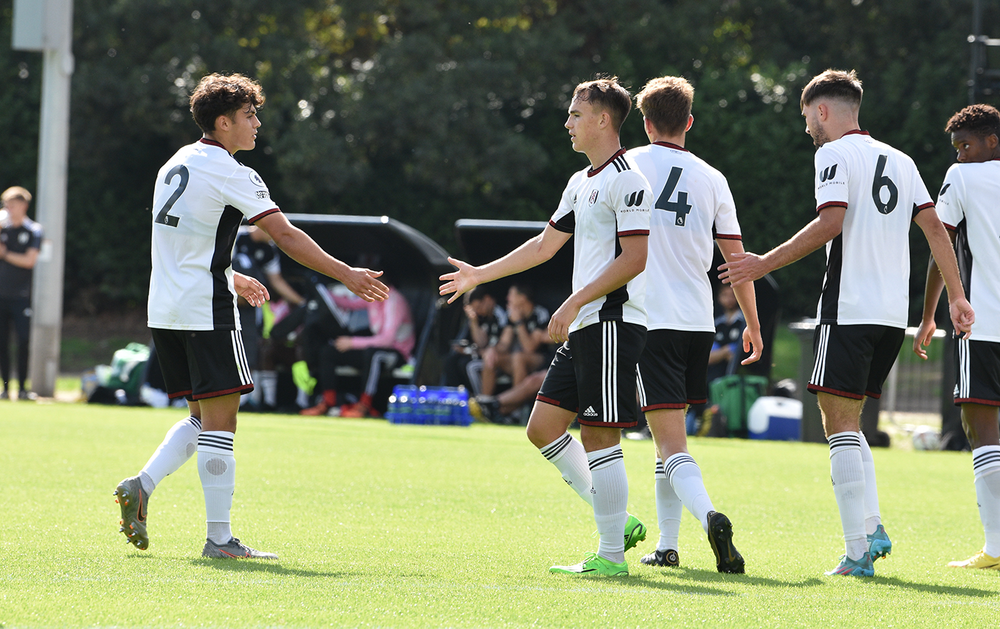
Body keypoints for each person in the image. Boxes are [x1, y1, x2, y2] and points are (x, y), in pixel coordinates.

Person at [114, 72, 388, 560]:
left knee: (200, 419)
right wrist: (345, 273)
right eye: (249, 115)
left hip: (167, 306)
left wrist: (231, 273)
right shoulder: (231, 170)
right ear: (223, 123)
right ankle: (219, 540)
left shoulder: (175, 161)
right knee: (221, 425)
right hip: (206, 308)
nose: (257, 124)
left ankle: (143, 484)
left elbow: (184, 237)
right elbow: (285, 235)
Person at [720, 69, 974, 577]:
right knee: (852, 425)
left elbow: (830, 222)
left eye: (806, 118)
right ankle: (873, 527)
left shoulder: (832, 154)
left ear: (822, 110)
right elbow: (937, 233)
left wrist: (762, 262)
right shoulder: (900, 160)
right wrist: (957, 299)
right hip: (888, 319)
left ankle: (857, 552)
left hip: (848, 309)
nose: (807, 130)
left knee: (837, 428)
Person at [440, 76, 652, 577]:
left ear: (603, 119)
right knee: (543, 429)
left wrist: (574, 301)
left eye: (576, 114)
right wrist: (478, 275)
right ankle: (619, 523)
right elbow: (542, 247)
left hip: (612, 322)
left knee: (601, 434)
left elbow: (637, 257)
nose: (567, 122)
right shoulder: (581, 182)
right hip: (586, 322)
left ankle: (612, 556)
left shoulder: (630, 179)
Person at [628, 75, 762, 573]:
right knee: (669, 440)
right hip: (696, 324)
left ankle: (710, 517)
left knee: (670, 444)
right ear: (689, 122)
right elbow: (737, 260)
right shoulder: (713, 177)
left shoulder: (628, 166)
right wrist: (751, 321)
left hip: (649, 321)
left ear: (644, 123)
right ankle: (666, 546)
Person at [914, 103, 1000, 570]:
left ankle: (996, 547)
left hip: (982, 324)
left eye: (967, 145)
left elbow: (938, 241)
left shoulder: (962, 178)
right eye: (958, 149)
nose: (961, 155)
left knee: (979, 426)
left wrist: (929, 314)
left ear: (992, 141)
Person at [300, 284, 414, 418]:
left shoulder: (394, 300)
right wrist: (324, 293)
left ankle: (364, 405)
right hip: (373, 347)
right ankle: (328, 402)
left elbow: (387, 340)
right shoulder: (374, 296)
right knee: (329, 351)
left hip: (396, 352)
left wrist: (352, 342)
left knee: (373, 355)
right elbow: (350, 304)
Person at [233, 224, 307, 410]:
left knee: (250, 350)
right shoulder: (235, 236)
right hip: (222, 301)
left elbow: (277, 280)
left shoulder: (270, 252)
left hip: (250, 308)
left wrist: (301, 303)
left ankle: (248, 400)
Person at [0, 186, 42, 401]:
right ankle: (5, 388)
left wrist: (5, 254)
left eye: (12, 205)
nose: (8, 209)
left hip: (21, 296)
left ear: (24, 206)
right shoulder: (2, 229)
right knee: (2, 343)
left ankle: (24, 388)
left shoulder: (33, 230)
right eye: (6, 205)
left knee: (23, 341)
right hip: (1, 296)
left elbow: (29, 261)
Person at [479, 284, 551, 396]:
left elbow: (529, 348)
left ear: (522, 298)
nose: (507, 298)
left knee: (518, 357)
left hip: (540, 359)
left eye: (510, 295)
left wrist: (519, 322)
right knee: (491, 358)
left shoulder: (540, 313)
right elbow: (504, 344)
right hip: (515, 359)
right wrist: (492, 350)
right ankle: (484, 404)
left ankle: (515, 408)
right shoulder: (512, 314)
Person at [441, 287, 508, 394]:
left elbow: (500, 346)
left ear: (487, 299)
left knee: (469, 366)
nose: (478, 312)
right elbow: (481, 342)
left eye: (478, 307)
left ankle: (480, 402)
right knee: (450, 361)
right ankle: (456, 398)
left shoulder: (502, 314)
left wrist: (473, 351)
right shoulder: (482, 317)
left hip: (499, 357)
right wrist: (473, 321)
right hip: (483, 354)